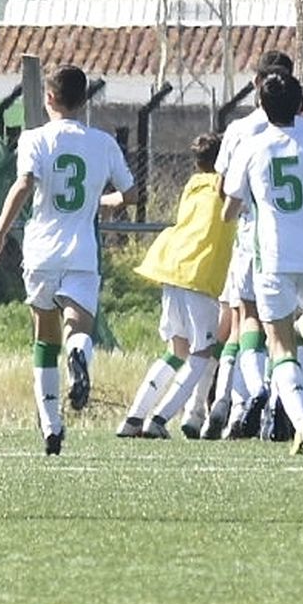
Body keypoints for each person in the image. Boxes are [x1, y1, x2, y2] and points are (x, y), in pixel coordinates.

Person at [0, 64, 136, 455]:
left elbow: (23, 185)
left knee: (44, 337)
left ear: (49, 98)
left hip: (41, 250)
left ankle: (51, 427)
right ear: (84, 101)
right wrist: (104, 201)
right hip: (82, 251)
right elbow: (131, 194)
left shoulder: (34, 138)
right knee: (78, 328)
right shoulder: (103, 143)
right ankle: (79, 354)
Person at [220, 71, 303, 455]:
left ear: (261, 104)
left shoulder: (251, 146)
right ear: (299, 104)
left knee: (279, 347)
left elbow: (229, 209)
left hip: (273, 258)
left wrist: (243, 205)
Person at [118, 132, 236, 439]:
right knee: (202, 353)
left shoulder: (194, 185)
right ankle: (159, 419)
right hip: (199, 274)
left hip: (173, 268)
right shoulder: (227, 187)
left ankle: (133, 418)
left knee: (176, 351)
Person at [207, 49, 294, 440]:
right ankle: (280, 401)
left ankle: (235, 403)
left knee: (244, 319)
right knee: (286, 325)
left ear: (258, 84)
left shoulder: (241, 129)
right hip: (295, 238)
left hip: (250, 236)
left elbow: (223, 187)